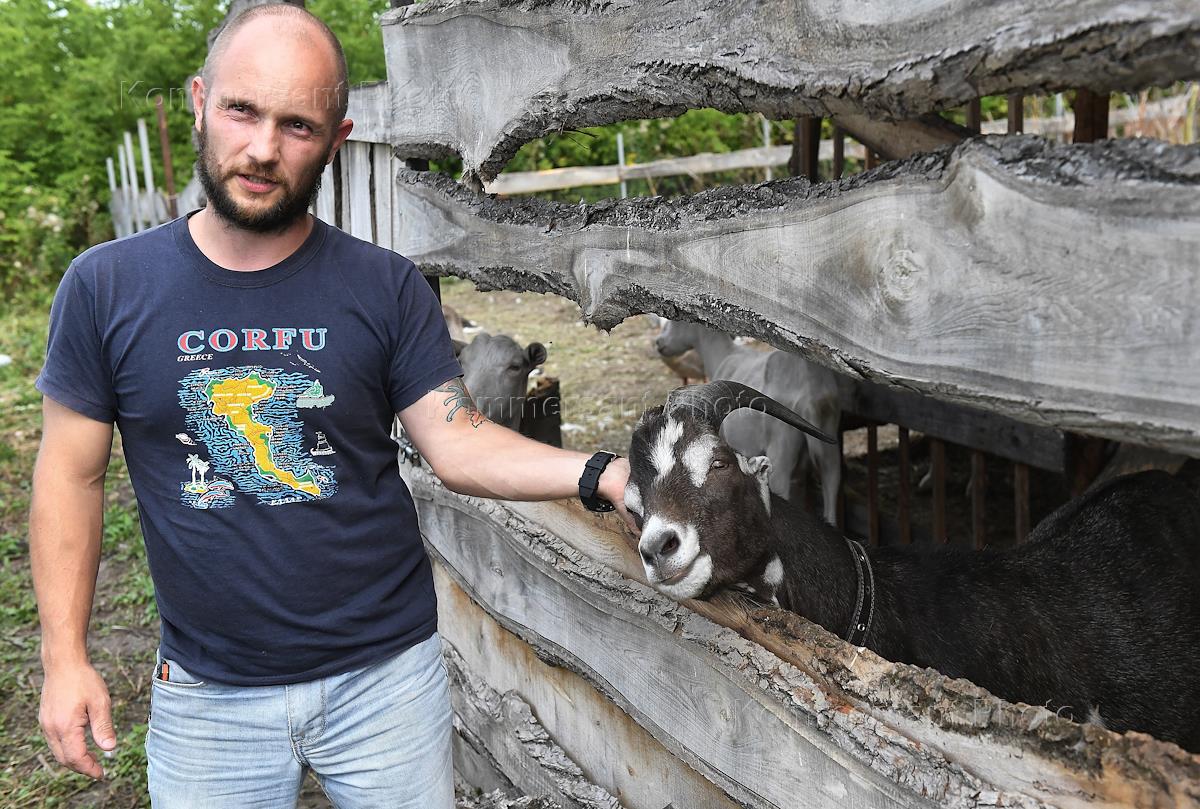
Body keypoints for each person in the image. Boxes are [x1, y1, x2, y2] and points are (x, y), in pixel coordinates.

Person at [29, 5, 633, 806]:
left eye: (297, 126)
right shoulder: (105, 287)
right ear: (199, 101)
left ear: (336, 140)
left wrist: (604, 471)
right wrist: (64, 658)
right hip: (208, 696)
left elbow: (458, 441)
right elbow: (70, 476)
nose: (262, 148)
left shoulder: (385, 287)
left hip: (384, 684)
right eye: (242, 110)